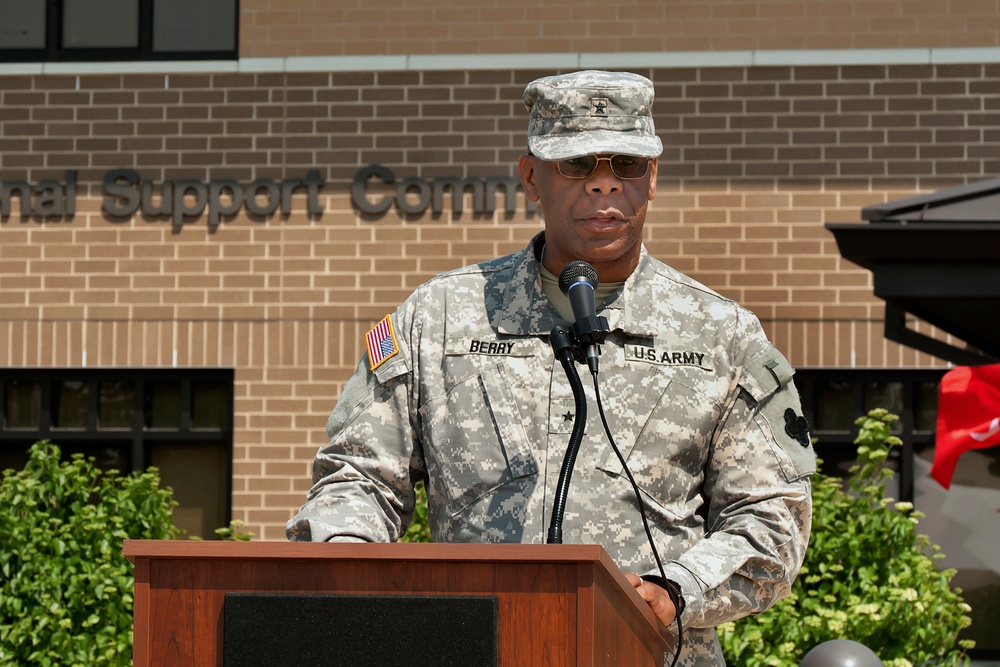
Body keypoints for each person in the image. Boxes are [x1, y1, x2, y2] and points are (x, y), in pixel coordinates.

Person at [287, 70, 816, 666]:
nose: (604, 186)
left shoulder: (723, 336)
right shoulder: (435, 318)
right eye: (578, 165)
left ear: (654, 177)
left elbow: (771, 520)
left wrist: (676, 590)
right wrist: (345, 560)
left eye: (628, 165)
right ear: (531, 176)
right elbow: (360, 477)